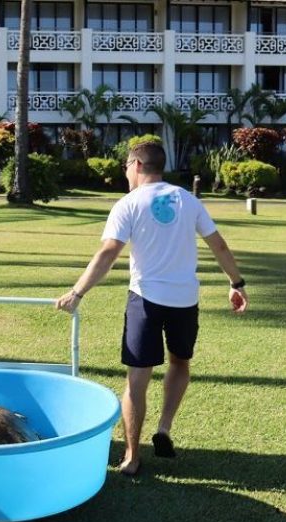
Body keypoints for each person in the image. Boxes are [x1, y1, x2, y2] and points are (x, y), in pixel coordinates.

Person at [55, 142, 248, 476]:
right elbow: (218, 244)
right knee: (179, 362)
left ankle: (132, 456)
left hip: (145, 299)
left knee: (137, 378)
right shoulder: (188, 199)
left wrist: (77, 291)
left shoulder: (128, 203)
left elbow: (108, 253)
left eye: (126, 165)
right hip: (185, 300)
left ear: (138, 164)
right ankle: (164, 427)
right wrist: (237, 283)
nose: (124, 171)